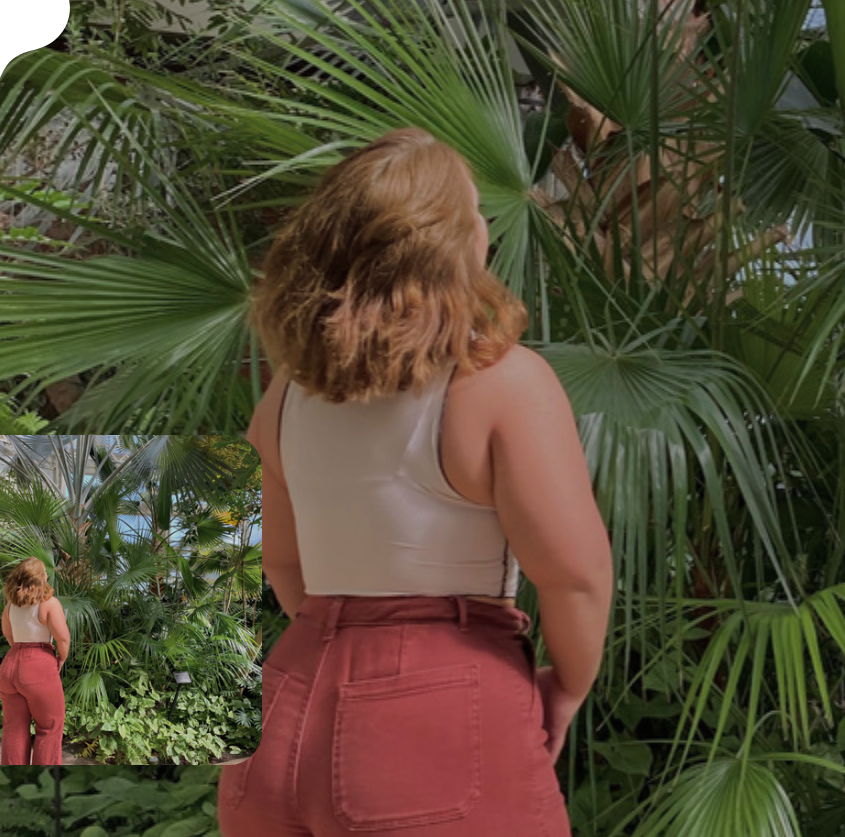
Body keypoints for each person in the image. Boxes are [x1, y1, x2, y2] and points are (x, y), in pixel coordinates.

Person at [218, 126, 614, 837]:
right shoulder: (500, 385)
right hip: (428, 721)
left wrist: (345, 650)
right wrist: (567, 687)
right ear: (451, 246)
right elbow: (576, 576)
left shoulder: (284, 399)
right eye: (474, 212)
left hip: (280, 717)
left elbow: (282, 564)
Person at [0, 556, 69, 765]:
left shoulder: (10, 605)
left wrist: (20, 654)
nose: (47, 575)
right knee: (49, 727)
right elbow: (63, 638)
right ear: (39, 578)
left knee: (14, 729)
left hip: (10, 665)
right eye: (45, 572)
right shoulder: (49, 604)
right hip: (39, 665)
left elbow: (8, 635)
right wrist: (61, 658)